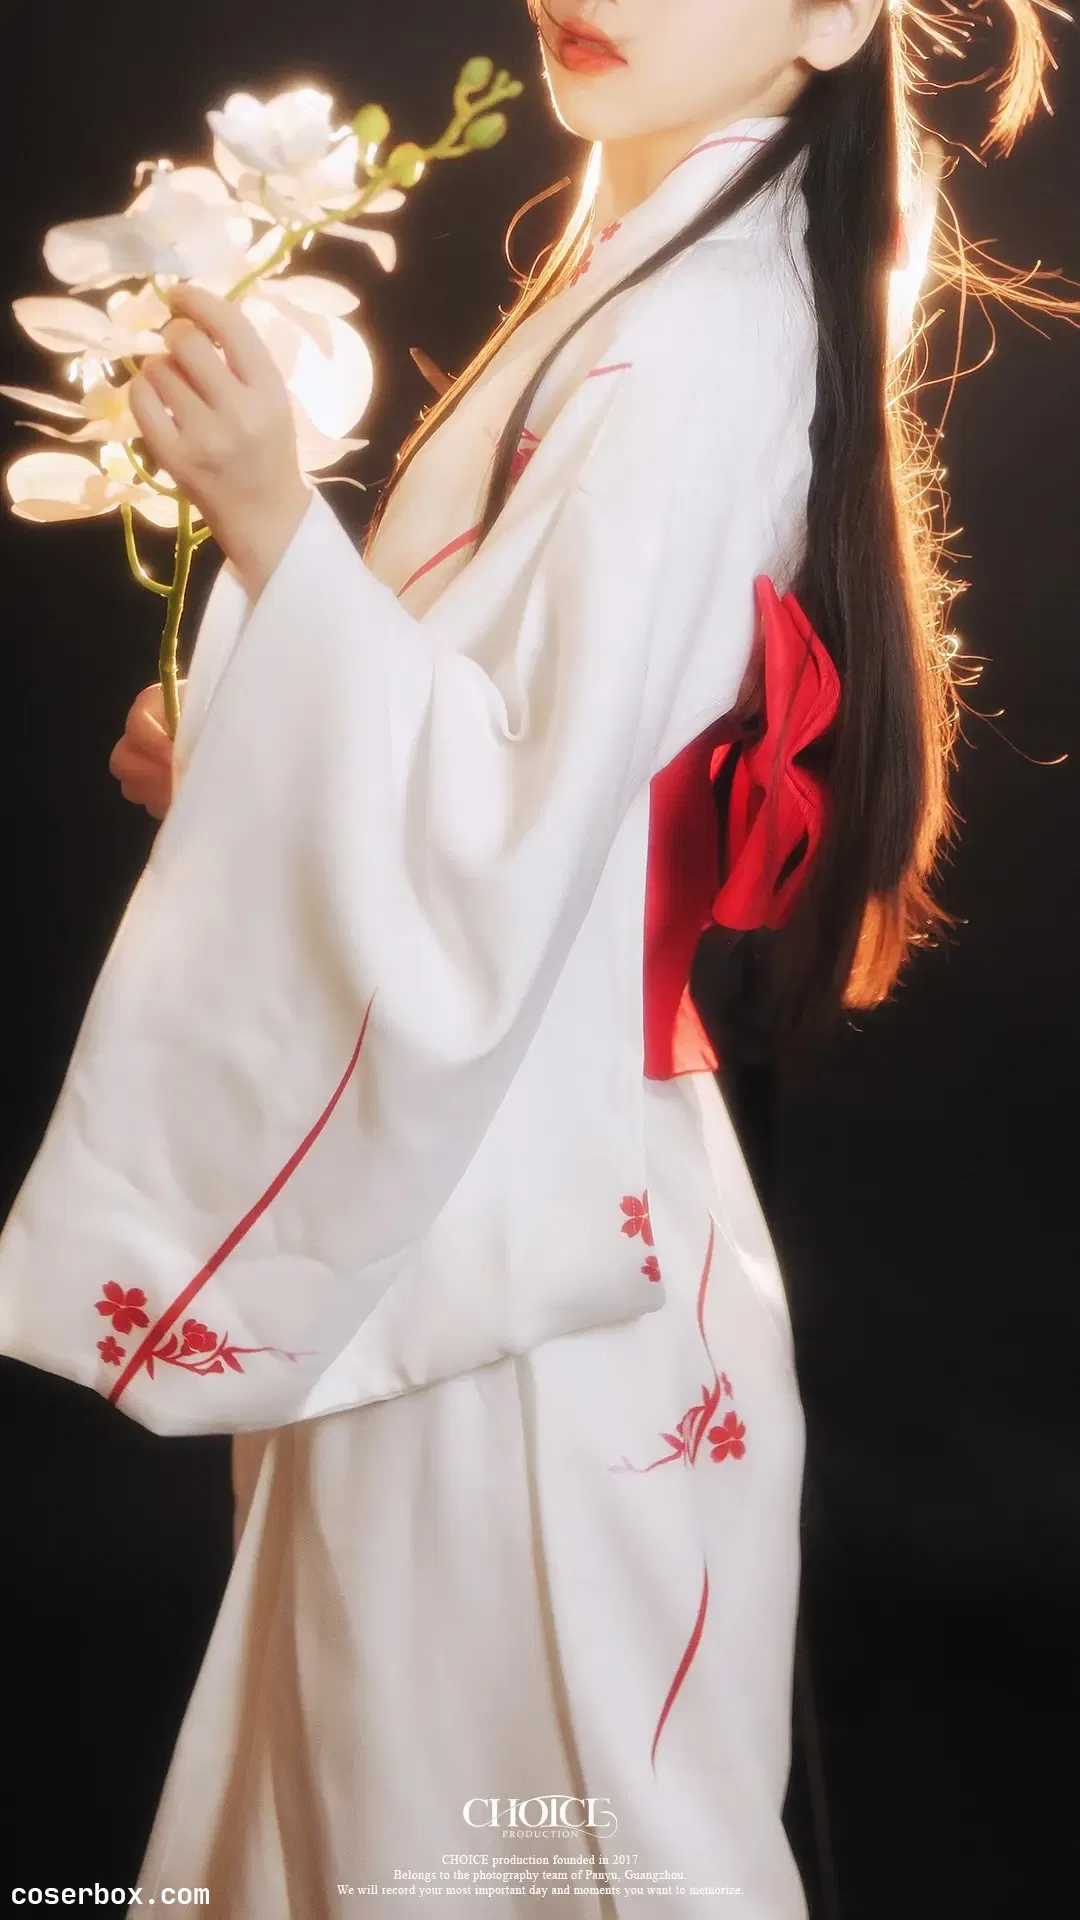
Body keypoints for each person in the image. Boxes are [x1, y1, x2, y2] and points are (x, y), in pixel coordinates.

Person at [0, 2, 1061, 1914]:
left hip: (536, 1218)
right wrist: (253, 734)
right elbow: (500, 741)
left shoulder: (702, 329)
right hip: (503, 1152)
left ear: (838, 16)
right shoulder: (650, 268)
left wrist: (273, 527)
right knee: (407, 1771)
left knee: (493, 1810)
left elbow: (505, 809)